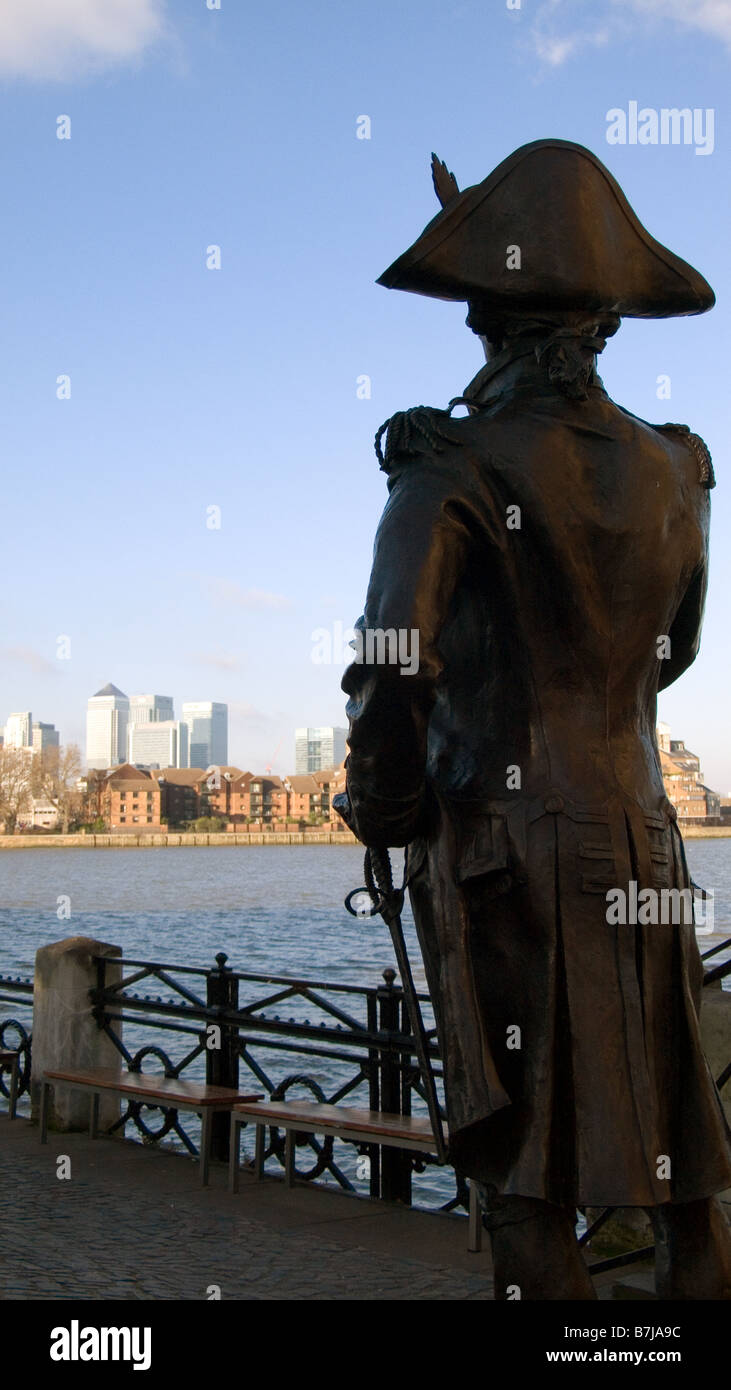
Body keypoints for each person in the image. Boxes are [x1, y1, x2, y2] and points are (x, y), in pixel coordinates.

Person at [334, 139, 731, 1300]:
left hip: (500, 867)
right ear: (601, 317)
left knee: (524, 1181)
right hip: (643, 843)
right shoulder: (676, 473)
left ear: (481, 316)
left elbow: (393, 664)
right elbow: (674, 653)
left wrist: (387, 803)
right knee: (680, 1177)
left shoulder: (444, 463)